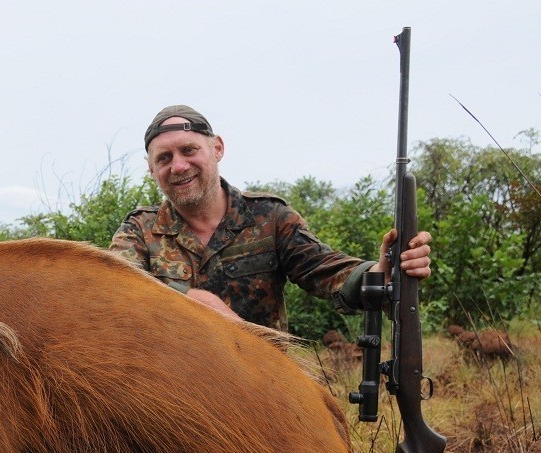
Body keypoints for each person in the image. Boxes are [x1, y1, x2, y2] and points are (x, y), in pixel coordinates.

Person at [110, 105, 433, 331]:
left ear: (217, 148)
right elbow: (114, 288)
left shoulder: (270, 217)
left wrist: (380, 274)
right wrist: (189, 298)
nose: (178, 166)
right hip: (175, 396)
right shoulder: (139, 230)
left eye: (189, 150)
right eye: (164, 158)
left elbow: (327, 271)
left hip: (264, 389)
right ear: (151, 169)